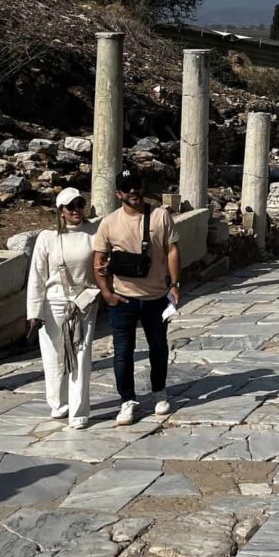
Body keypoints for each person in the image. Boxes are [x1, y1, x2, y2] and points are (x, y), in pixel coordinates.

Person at [93, 167, 181, 426]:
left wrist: (175, 284)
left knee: (159, 347)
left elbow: (172, 250)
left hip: (156, 297)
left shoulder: (160, 216)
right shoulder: (109, 223)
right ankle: (127, 400)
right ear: (118, 193)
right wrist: (107, 293)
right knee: (122, 352)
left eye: (137, 185)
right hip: (123, 299)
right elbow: (98, 261)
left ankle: (159, 391)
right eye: (127, 187)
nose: (133, 191)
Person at [26, 188, 100, 429]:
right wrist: (33, 313)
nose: (76, 209)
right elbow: (37, 276)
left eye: (80, 204)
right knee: (54, 355)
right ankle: (58, 404)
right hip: (54, 301)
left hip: (84, 301)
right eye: (71, 206)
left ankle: (79, 412)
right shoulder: (47, 238)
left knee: (82, 353)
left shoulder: (94, 232)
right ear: (61, 211)